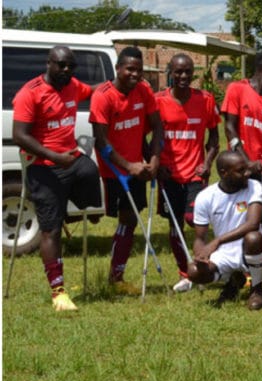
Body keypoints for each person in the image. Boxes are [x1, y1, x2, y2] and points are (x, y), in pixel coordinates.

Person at [11, 44, 104, 311]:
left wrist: (118, 82)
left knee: (90, 171)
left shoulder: (73, 85)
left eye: (70, 66)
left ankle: (87, 210)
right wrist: (54, 155)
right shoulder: (30, 93)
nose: (66, 70)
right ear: (49, 63)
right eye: (61, 65)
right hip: (43, 166)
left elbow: (93, 90)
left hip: (70, 160)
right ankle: (58, 291)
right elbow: (20, 136)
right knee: (50, 229)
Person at [90, 45, 163, 294]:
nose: (135, 74)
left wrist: (154, 158)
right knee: (125, 219)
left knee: (130, 219)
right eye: (130, 69)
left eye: (139, 70)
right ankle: (114, 276)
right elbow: (100, 141)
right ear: (118, 68)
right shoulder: (103, 95)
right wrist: (128, 166)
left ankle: (116, 276)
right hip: (115, 170)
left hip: (137, 167)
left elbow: (157, 125)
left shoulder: (143, 89)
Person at [155, 52, 220, 293]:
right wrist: (154, 164)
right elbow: (143, 137)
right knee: (174, 226)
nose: (183, 76)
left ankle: (206, 266)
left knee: (196, 221)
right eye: (178, 71)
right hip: (169, 176)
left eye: (187, 71)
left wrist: (208, 163)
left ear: (194, 73)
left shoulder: (205, 100)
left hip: (195, 174)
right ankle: (186, 273)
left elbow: (214, 137)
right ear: (170, 73)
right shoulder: (158, 101)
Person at [185, 151, 262, 308]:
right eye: (240, 170)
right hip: (223, 254)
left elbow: (253, 223)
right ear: (223, 173)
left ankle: (256, 289)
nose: (247, 173)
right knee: (194, 272)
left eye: (246, 168)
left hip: (250, 247)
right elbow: (199, 238)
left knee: (253, 237)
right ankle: (233, 281)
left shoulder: (253, 186)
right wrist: (200, 256)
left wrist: (217, 241)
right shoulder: (205, 197)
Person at [222, 52, 262, 194]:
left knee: (261, 213)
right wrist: (246, 161)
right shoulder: (237, 89)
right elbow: (229, 127)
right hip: (238, 167)